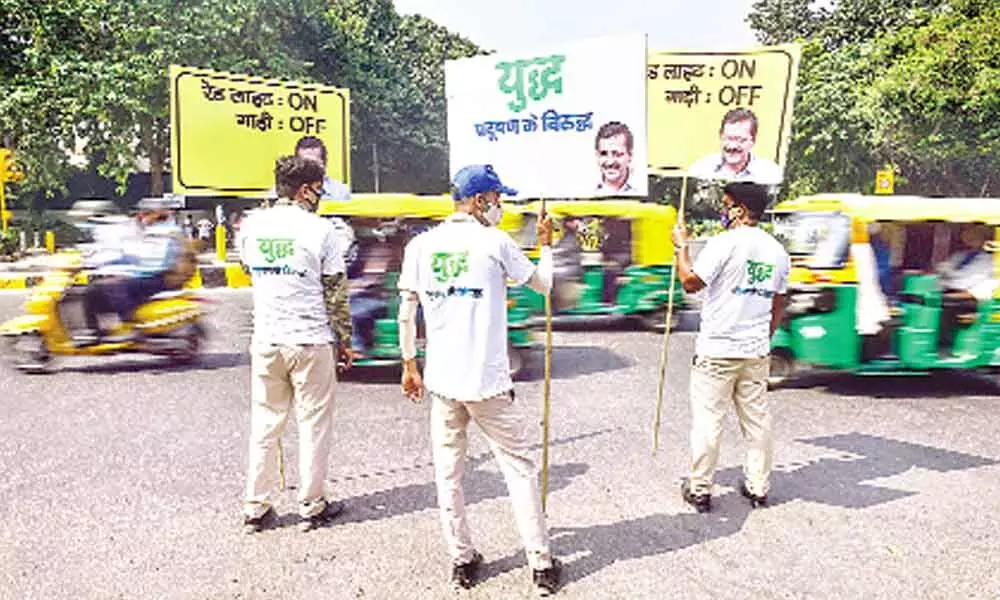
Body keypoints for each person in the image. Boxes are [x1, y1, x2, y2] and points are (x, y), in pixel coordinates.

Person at [396, 164, 563, 595]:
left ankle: (462, 559)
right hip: (488, 384)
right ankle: (541, 564)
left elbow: (406, 311)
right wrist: (546, 246)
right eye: (497, 199)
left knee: (448, 475)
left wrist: (409, 364)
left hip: (442, 383)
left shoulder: (421, 246)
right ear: (478, 201)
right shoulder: (495, 242)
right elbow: (543, 285)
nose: (501, 207)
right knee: (520, 470)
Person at [238, 155, 354, 534]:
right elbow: (335, 294)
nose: (321, 196)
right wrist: (346, 341)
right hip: (310, 341)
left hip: (267, 339)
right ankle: (312, 504)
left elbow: (247, 269)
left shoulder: (250, 226)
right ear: (306, 190)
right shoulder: (322, 231)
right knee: (313, 424)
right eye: (319, 188)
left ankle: (256, 507)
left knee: (266, 423)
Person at [671, 181, 790, 512]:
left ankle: (699, 489)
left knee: (709, 420)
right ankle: (758, 487)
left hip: (717, 350)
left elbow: (690, 283)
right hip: (755, 350)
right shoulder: (777, 251)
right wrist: (765, 336)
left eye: (726, 204)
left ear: (740, 209)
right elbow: (780, 301)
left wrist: (681, 247)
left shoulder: (723, 244)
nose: (722, 210)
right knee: (757, 421)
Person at [76, 211, 196, 345]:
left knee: (113, 286)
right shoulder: (152, 231)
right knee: (94, 290)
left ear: (156, 215)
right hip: (150, 274)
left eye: (146, 214)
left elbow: (154, 263)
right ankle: (97, 331)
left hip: (159, 277)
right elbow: (130, 255)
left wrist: (124, 270)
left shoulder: (165, 232)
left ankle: (132, 326)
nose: (142, 218)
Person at [936, 224, 997, 354]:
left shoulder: (991, 261)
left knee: (941, 306)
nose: (968, 238)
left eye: (974, 235)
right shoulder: (961, 255)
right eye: (967, 234)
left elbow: (977, 288)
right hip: (949, 292)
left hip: (971, 300)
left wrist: (948, 292)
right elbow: (942, 270)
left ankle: (943, 347)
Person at [687, 108, 783, 185]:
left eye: (740, 140)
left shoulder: (769, 175)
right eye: (728, 138)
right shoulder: (700, 170)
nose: (732, 146)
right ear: (720, 137)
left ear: (753, 141)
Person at [295, 135, 351, 200]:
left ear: (324, 164)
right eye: (304, 163)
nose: (309, 168)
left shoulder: (340, 192)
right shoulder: (287, 191)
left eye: (313, 163)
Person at [594, 121, 635, 194]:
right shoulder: (587, 191)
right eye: (604, 154)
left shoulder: (640, 190)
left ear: (630, 156)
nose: (610, 162)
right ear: (597, 156)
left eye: (617, 154)